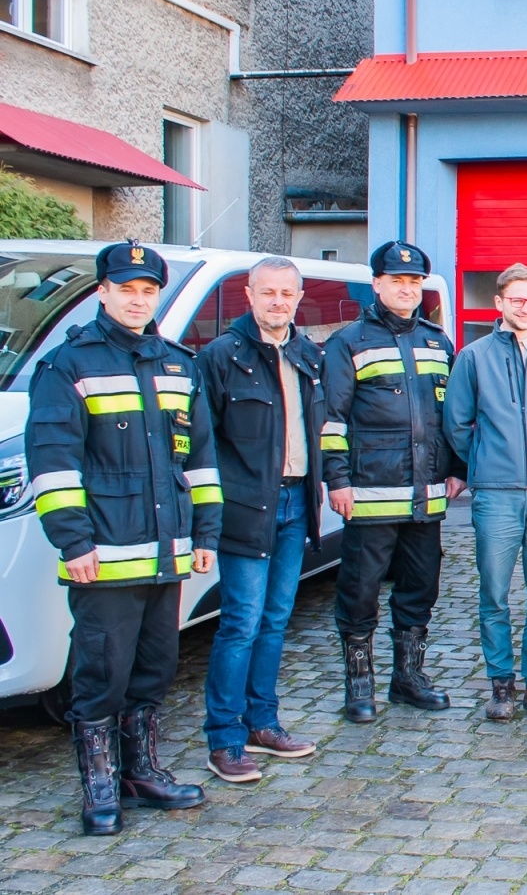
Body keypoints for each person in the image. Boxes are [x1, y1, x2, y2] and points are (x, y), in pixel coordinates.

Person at [26, 241, 220, 835]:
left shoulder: (178, 364)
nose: (138, 300)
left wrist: (205, 533)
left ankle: (141, 773)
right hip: (103, 555)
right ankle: (100, 787)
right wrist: (73, 541)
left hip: (166, 550)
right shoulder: (69, 364)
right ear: (103, 292)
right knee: (101, 674)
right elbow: (53, 463)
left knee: (155, 667)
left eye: (147, 291)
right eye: (126, 290)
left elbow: (200, 460)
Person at [323, 241, 466, 722]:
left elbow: (453, 416)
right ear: (377, 284)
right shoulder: (349, 342)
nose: (406, 289)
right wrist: (336, 480)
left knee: (420, 588)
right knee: (360, 591)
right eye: (397, 281)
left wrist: (458, 469)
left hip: (426, 497)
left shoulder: (437, 342)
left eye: (414, 282)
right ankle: (359, 685)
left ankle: (408, 679)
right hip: (369, 495)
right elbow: (332, 419)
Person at [197, 257, 324, 782]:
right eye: (267, 292)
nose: (278, 301)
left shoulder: (307, 354)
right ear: (248, 296)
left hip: (296, 504)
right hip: (246, 508)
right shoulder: (220, 356)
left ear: (299, 298)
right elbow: (202, 443)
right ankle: (224, 739)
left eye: (287, 293)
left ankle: (262, 723)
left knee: (274, 621)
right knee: (241, 623)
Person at [445, 264, 527, 720]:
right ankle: (501, 684)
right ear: (499, 302)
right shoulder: (474, 357)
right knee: (494, 593)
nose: (526, 307)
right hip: (496, 495)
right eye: (517, 299)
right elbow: (457, 423)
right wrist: (486, 463)